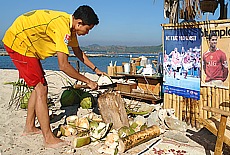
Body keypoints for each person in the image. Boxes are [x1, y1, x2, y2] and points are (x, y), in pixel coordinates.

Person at [2, 5, 104, 148]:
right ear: (79, 23)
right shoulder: (62, 27)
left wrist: (96, 69)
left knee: (38, 87)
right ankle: (48, 138)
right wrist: (88, 81)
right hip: (19, 42)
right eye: (87, 29)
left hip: (27, 45)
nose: (87, 33)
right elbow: (63, 65)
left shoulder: (70, 27)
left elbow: (78, 52)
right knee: (42, 89)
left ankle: (29, 127)